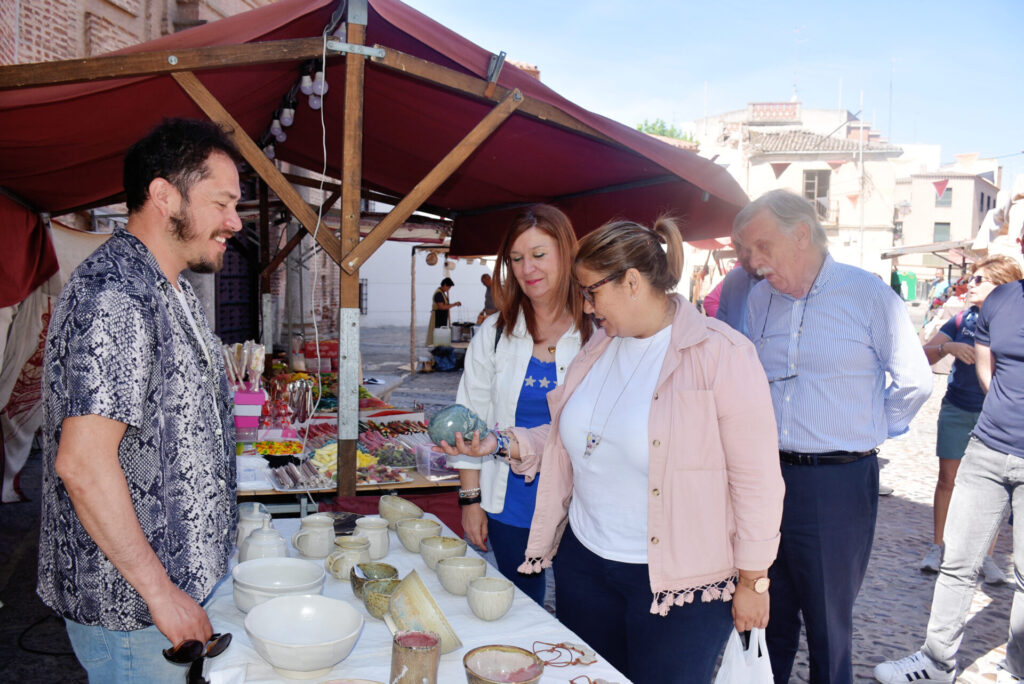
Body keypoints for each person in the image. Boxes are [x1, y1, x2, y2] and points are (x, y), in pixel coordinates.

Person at [444, 217, 784, 682]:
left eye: (591, 292)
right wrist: (500, 443)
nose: (585, 308)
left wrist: (753, 581)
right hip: (586, 563)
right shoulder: (600, 346)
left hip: (676, 583)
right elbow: (572, 436)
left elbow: (757, 481)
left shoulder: (720, 354)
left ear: (631, 282)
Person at [36, 119, 242, 682]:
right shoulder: (116, 295)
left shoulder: (166, 284)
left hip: (166, 604)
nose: (235, 221)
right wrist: (160, 593)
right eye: (222, 202)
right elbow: (82, 464)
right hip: (134, 614)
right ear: (163, 195)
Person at [735, 189, 932, 684]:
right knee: (766, 616)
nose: (754, 264)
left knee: (828, 626)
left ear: (801, 234)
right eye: (746, 252)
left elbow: (915, 381)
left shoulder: (867, 294)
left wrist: (866, 428)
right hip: (767, 478)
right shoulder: (760, 299)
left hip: (837, 486)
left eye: (761, 247)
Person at [874, 275, 1024, 684]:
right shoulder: (1002, 300)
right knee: (957, 561)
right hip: (988, 445)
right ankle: (937, 662)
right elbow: (988, 372)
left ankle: (1018, 669)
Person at [447, 204, 591, 606]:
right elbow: (469, 418)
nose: (528, 268)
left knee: (582, 614)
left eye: (539, 255)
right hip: (509, 500)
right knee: (519, 608)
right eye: (516, 258)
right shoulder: (495, 332)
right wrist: (470, 501)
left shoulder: (598, 330)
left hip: (581, 506)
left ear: (566, 252)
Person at [918, 255, 1022, 581]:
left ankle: (986, 556)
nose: (969, 285)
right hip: (958, 409)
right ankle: (939, 546)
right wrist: (949, 347)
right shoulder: (963, 318)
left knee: (997, 489)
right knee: (947, 480)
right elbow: (924, 352)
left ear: (1001, 285)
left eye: (979, 280)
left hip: (995, 416)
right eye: (971, 278)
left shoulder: (1013, 319)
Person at [715, 235, 763, 336]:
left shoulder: (784, 281)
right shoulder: (733, 278)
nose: (743, 255)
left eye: (748, 247)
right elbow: (720, 326)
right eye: (738, 247)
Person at [426, 277, 460, 346]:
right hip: (438, 318)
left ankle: (440, 348)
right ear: (444, 285)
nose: (449, 289)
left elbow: (445, 305)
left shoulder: (442, 293)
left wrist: (454, 304)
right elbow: (441, 307)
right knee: (437, 335)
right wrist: (454, 304)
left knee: (441, 336)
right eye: (448, 287)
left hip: (442, 317)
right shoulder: (439, 294)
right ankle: (437, 350)